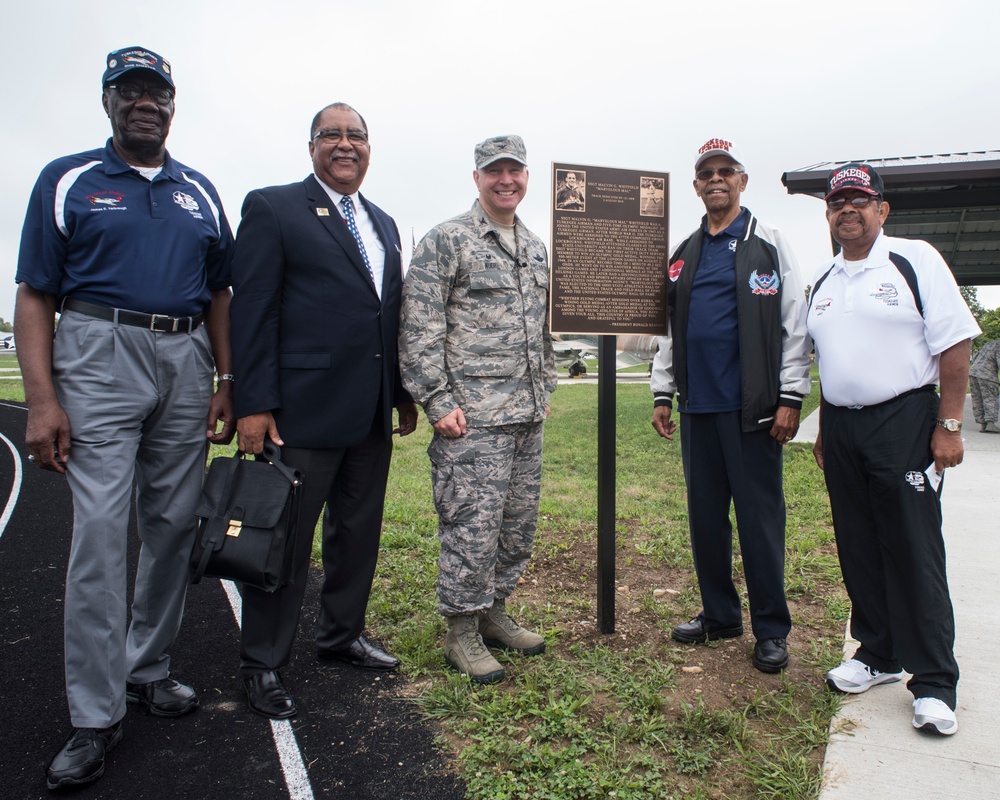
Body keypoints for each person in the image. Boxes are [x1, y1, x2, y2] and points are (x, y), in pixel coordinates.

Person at [14, 47, 235, 790]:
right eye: (130, 91)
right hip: (98, 355)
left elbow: (219, 296)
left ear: (174, 106)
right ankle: (94, 714)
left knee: (174, 524)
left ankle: (149, 667)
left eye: (158, 94)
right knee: (102, 535)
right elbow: (36, 294)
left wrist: (225, 380)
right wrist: (42, 400)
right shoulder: (68, 180)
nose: (146, 104)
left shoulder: (198, 191)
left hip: (184, 358)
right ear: (108, 101)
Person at [229, 102, 417, 719]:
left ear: (370, 148)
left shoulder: (385, 223)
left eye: (356, 136)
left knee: (356, 536)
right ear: (311, 146)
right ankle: (262, 663)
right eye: (331, 135)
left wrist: (400, 392)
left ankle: (341, 636)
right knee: (283, 541)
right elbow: (252, 311)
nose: (346, 144)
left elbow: (386, 316)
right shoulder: (273, 206)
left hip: (368, 415)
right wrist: (253, 403)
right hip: (299, 413)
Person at [808, 163, 980, 736]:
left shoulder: (914, 259)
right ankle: (878, 654)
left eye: (860, 200)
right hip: (845, 428)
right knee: (858, 546)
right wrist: (828, 431)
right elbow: (830, 364)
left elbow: (955, 344)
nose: (848, 210)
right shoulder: (825, 281)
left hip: (905, 420)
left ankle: (934, 682)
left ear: (882, 209)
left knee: (912, 548)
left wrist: (949, 425)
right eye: (838, 203)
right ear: (828, 214)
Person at [399, 135, 557, 684]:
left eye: (514, 170)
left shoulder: (535, 247)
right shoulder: (448, 240)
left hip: (525, 416)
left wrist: (546, 391)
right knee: (471, 525)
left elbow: (541, 329)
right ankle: (461, 631)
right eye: (495, 172)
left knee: (516, 526)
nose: (505, 180)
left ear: (526, 176)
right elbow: (419, 325)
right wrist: (437, 401)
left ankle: (494, 613)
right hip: (470, 420)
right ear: (477, 178)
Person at [650, 138, 810, 674]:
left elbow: (795, 324)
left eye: (726, 171)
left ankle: (771, 628)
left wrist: (792, 395)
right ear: (696, 186)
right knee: (706, 520)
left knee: (760, 522)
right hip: (699, 410)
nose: (715, 179)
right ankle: (719, 614)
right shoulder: (684, 253)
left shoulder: (770, 243)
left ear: (742, 180)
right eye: (705, 174)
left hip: (756, 412)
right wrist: (663, 392)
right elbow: (669, 331)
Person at [969, 338, 1000, 433]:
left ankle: (983, 424)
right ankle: (990, 423)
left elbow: (975, 358)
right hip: (987, 375)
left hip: (973, 372)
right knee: (989, 398)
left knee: (977, 399)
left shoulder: (989, 343)